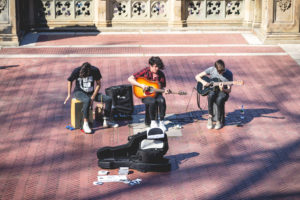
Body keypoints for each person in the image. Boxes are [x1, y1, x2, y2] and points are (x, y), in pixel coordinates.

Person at [64, 62, 118, 134]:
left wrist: (93, 96)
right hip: (79, 92)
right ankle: (85, 124)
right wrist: (68, 94)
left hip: (91, 93)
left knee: (108, 99)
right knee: (87, 100)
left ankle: (107, 121)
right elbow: (69, 80)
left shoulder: (95, 70)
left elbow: (98, 84)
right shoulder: (76, 71)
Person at [128, 56, 169, 131]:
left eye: (158, 67)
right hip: (145, 95)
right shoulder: (145, 71)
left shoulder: (161, 74)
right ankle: (153, 122)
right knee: (152, 102)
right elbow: (130, 78)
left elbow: (162, 88)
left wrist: (165, 91)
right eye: (155, 67)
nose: (156, 69)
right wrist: (141, 85)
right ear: (150, 65)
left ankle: (161, 122)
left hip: (157, 94)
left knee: (162, 101)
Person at [195, 59, 233, 130]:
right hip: (213, 90)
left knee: (219, 99)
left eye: (223, 71)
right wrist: (203, 82)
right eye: (220, 72)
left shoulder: (229, 74)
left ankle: (219, 120)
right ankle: (210, 117)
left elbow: (229, 90)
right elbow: (197, 77)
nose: (222, 73)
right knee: (211, 95)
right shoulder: (211, 69)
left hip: (223, 92)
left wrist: (223, 89)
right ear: (215, 68)